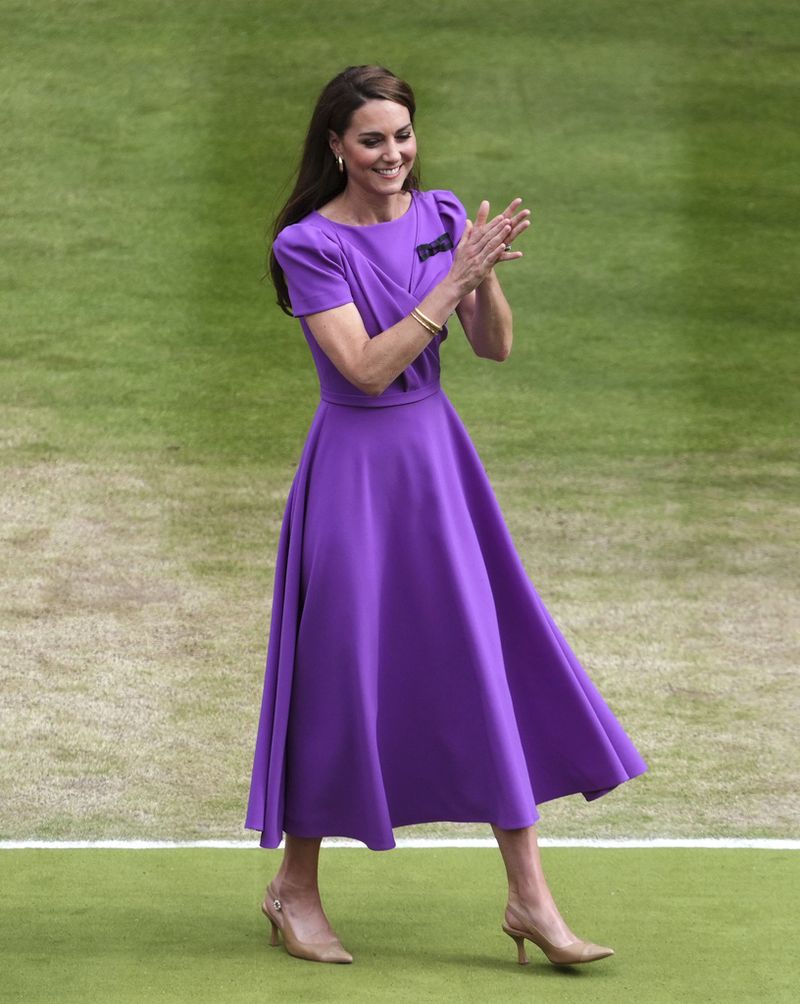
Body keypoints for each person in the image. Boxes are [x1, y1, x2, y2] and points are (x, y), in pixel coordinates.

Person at [245, 64, 648, 968]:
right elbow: (367, 369)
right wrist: (449, 280)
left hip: (438, 469)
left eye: (403, 136)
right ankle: (295, 890)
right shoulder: (309, 246)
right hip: (355, 474)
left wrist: (483, 276)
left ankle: (530, 901)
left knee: (481, 661)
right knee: (341, 671)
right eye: (372, 140)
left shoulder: (442, 217)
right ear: (336, 150)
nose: (393, 155)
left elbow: (494, 348)